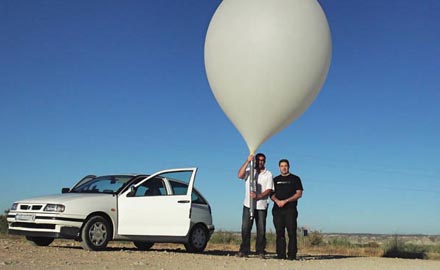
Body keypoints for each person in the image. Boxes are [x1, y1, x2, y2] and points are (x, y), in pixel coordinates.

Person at [237, 153, 273, 258]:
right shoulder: (249, 171)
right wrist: (248, 161)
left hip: (261, 206)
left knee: (261, 229)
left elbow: (269, 189)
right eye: (258, 160)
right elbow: (239, 175)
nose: (260, 162)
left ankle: (260, 250)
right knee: (245, 228)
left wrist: (259, 196)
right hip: (248, 205)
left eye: (262, 160)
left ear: (264, 161)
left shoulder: (268, 174)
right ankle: (244, 250)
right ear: (255, 161)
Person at [271, 159, 303, 260]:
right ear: (279, 167)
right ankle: (281, 254)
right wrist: (277, 201)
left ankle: (292, 255)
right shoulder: (275, 180)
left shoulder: (295, 178)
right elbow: (271, 194)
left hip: (290, 209)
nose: (284, 168)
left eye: (285, 166)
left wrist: (286, 201)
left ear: (289, 167)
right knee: (279, 232)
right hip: (277, 209)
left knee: (291, 232)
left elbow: (299, 193)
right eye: (281, 166)